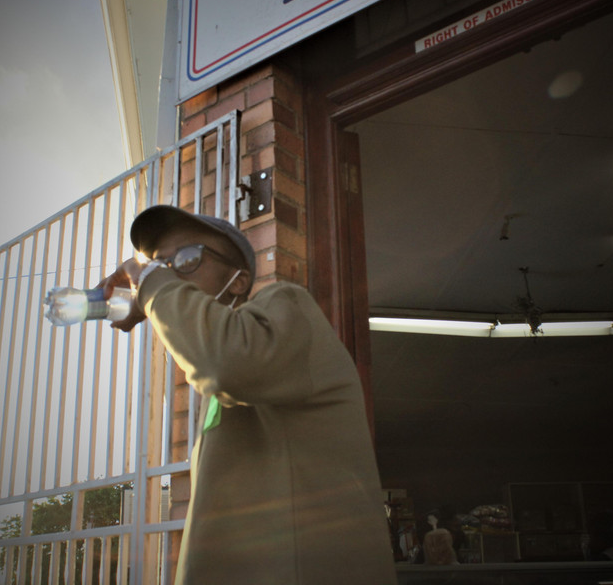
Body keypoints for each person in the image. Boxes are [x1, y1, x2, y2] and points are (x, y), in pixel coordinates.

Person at [101, 205, 397, 585]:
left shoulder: (286, 307)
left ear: (238, 282)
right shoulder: (225, 382)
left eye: (187, 259)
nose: (169, 275)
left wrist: (148, 278)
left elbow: (226, 360)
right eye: (162, 265)